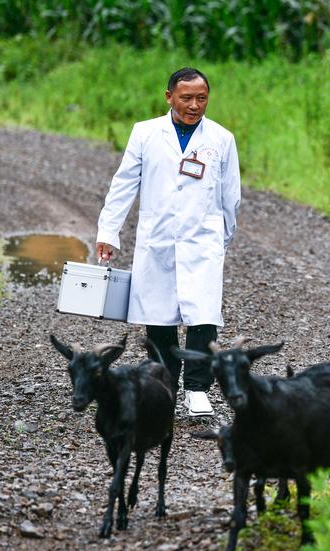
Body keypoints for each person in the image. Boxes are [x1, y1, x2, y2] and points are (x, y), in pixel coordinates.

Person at [95, 67, 241, 417]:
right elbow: (124, 184)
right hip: (157, 237)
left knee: (203, 315)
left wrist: (220, 237)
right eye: (186, 98)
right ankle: (163, 386)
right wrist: (108, 232)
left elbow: (231, 196)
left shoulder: (221, 138)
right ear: (169, 97)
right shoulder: (145, 133)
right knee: (158, 316)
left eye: (201, 98)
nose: (194, 105)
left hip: (202, 239)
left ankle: (197, 390)